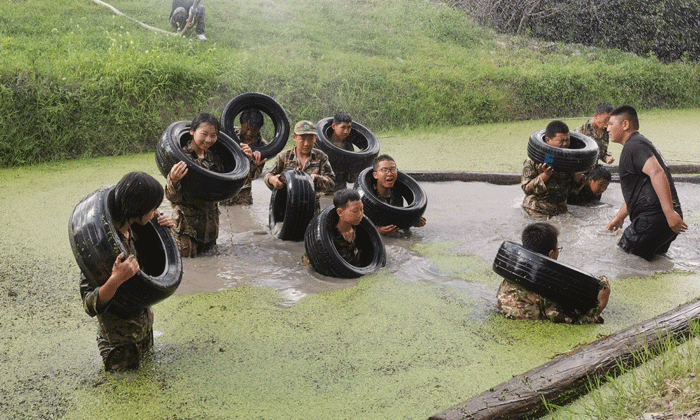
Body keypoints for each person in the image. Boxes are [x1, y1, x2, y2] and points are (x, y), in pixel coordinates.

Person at [79, 172, 175, 372]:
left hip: (144, 332)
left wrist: (167, 232)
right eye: (152, 207)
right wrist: (115, 279)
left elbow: (156, 269)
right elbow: (89, 305)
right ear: (137, 208)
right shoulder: (100, 246)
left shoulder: (135, 229)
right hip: (120, 346)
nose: (156, 211)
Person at [605, 105, 687, 260]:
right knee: (654, 264)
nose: (607, 128)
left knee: (624, 259)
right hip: (664, 222)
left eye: (610, 124)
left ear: (625, 124)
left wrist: (669, 212)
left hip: (653, 220)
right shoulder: (640, 144)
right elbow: (638, 192)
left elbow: (657, 173)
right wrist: (619, 217)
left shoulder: (634, 145)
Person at [497, 222, 611, 324]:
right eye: (558, 249)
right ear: (551, 254)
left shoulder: (509, 279)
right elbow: (578, 323)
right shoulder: (548, 290)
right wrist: (601, 303)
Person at [166, 112, 225, 257]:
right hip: (187, 229)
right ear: (192, 131)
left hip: (210, 227)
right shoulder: (180, 157)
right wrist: (173, 181)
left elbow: (226, 185)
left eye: (213, 135)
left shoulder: (213, 158)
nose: (208, 139)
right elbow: (171, 197)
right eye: (204, 133)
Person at [264, 120, 335, 213]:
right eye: (302, 139)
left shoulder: (321, 157)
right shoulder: (284, 156)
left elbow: (331, 182)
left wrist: (315, 179)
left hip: (312, 207)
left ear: (315, 138)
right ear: (294, 138)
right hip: (287, 207)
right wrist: (272, 180)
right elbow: (268, 175)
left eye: (310, 139)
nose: (306, 143)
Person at [521, 120, 584, 218]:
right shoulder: (532, 161)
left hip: (560, 210)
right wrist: (545, 175)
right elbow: (526, 189)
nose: (565, 144)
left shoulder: (570, 159)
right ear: (547, 140)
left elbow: (573, 191)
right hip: (537, 210)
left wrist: (578, 176)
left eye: (567, 140)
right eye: (561, 141)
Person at [370, 154, 426, 235]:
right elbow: (357, 224)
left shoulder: (398, 191)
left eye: (393, 170)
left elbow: (399, 218)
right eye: (384, 170)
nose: (389, 174)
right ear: (375, 175)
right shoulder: (368, 195)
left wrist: (413, 221)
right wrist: (377, 231)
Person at [222, 109, 268, 205]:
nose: (249, 133)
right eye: (246, 128)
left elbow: (254, 177)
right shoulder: (230, 133)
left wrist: (252, 161)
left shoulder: (263, 146)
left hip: (243, 193)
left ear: (259, 128)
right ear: (241, 124)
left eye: (254, 130)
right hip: (224, 187)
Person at [326, 112, 358, 194]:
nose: (346, 131)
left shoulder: (348, 146)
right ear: (334, 126)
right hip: (323, 191)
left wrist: (357, 162)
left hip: (340, 191)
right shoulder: (324, 143)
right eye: (343, 127)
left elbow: (350, 179)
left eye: (349, 127)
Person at [331, 189, 364, 265]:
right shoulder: (329, 236)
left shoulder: (360, 229)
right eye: (355, 211)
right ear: (340, 212)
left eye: (362, 209)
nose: (360, 214)